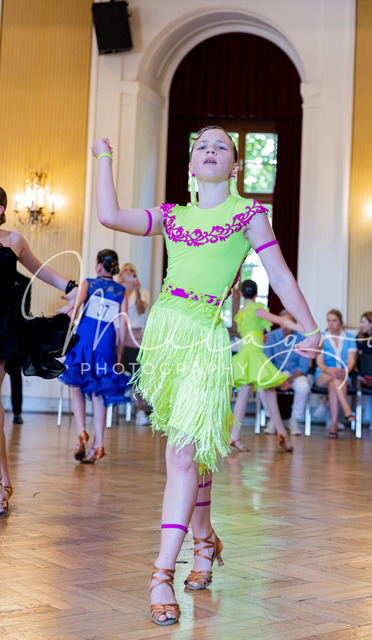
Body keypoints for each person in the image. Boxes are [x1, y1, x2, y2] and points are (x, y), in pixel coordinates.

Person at [91, 126, 320, 626]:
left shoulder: (248, 215)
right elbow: (110, 215)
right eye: (202, 146)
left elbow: (280, 275)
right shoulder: (172, 216)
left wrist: (310, 327)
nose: (211, 149)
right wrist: (103, 156)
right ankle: (204, 541)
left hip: (205, 340)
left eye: (221, 146)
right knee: (193, 450)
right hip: (165, 339)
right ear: (191, 165)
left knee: (181, 453)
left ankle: (161, 574)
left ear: (235, 165)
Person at [0, 186, 78, 519]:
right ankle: (4, 480)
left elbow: (40, 268)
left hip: (2, 325)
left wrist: (71, 288)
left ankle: (1, 482)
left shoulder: (13, 240)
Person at [60, 250, 129, 464]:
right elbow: (123, 324)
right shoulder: (121, 291)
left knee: (76, 384)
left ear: (99, 265)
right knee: (99, 390)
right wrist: (119, 352)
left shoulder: (88, 283)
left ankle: (81, 431)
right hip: (106, 339)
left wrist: (64, 316)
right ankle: (99, 445)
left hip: (86, 334)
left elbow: (76, 309)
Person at [230, 280, 297, 452]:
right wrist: (307, 330)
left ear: (241, 294)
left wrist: (260, 336)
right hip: (254, 356)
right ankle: (281, 433)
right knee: (265, 391)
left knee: (250, 394)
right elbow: (282, 321)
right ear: (256, 294)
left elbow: (251, 334)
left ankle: (236, 437)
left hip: (246, 355)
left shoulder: (241, 312)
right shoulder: (257, 309)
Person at [262, 309, 310, 436]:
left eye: (288, 323)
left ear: (294, 325)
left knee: (304, 386)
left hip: (294, 376)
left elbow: (304, 366)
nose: (285, 327)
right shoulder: (270, 337)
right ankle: (272, 419)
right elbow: (267, 363)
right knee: (262, 387)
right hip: (274, 374)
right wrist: (279, 378)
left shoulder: (302, 339)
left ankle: (294, 420)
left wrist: (288, 378)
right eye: (282, 323)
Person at [315, 309, 357, 438]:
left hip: (342, 375)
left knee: (334, 383)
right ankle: (346, 409)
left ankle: (333, 426)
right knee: (334, 378)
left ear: (340, 322)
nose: (331, 324)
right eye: (329, 320)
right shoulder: (322, 338)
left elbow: (351, 361)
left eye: (334, 320)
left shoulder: (349, 338)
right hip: (323, 374)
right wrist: (330, 370)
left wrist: (345, 371)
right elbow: (320, 363)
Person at [118, 262, 150, 425]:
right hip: (117, 335)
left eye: (132, 271)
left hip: (135, 336)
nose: (128, 273)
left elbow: (141, 310)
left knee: (137, 373)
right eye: (125, 271)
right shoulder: (116, 291)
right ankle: (110, 406)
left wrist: (137, 290)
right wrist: (119, 286)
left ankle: (140, 411)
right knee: (113, 370)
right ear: (120, 275)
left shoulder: (142, 292)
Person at [9, 272, 32, 425]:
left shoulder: (25, 281)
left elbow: (26, 310)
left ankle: (17, 412)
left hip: (16, 332)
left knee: (15, 373)